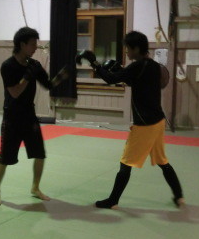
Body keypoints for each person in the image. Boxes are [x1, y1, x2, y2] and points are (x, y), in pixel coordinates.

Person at [78, 31, 185, 209]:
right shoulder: (153, 66)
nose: (126, 51)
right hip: (158, 121)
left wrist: (94, 63)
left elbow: (111, 79)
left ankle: (113, 200)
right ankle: (179, 196)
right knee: (162, 161)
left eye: (128, 48)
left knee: (125, 163)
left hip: (145, 125)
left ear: (136, 48)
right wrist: (121, 71)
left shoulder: (137, 66)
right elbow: (136, 82)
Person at [0, 26, 68, 206]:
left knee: (40, 154)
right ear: (22, 44)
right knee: (5, 157)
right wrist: (26, 76)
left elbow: (48, 85)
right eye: (33, 44)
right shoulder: (8, 66)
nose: (35, 48)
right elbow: (15, 93)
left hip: (29, 116)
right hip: (12, 117)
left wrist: (63, 75)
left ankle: (35, 188)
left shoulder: (34, 65)